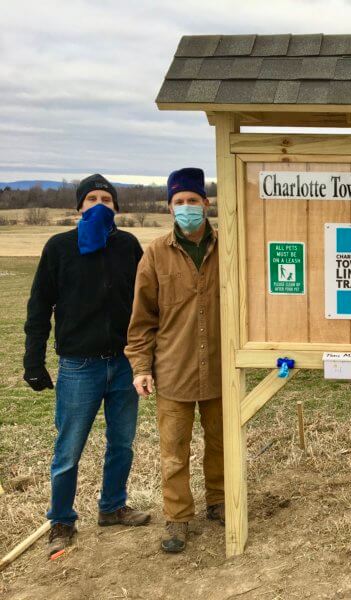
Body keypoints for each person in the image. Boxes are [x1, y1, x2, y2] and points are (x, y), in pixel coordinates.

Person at [23, 174, 151, 557]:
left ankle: (112, 506)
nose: (99, 204)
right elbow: (39, 307)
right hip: (79, 366)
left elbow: (146, 303)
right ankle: (61, 519)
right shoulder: (59, 247)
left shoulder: (128, 245)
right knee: (68, 449)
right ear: (78, 206)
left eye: (106, 199)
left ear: (116, 207)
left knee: (122, 443)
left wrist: (148, 356)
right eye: (91, 198)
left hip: (125, 364)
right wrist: (34, 358)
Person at [125, 167, 223, 554]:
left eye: (192, 201)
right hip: (173, 371)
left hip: (219, 368)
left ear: (206, 203)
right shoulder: (154, 254)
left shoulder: (226, 246)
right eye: (179, 202)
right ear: (170, 208)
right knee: (174, 451)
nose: (187, 208)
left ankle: (219, 502)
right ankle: (178, 518)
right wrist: (141, 367)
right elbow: (142, 319)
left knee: (220, 443)